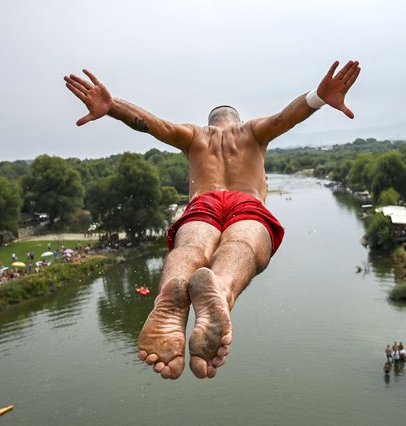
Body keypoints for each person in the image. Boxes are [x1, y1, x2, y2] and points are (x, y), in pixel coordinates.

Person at [64, 60, 361, 379]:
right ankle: (218, 290)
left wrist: (113, 107)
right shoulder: (252, 130)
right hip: (245, 202)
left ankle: (173, 291)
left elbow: (151, 123)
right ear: (237, 119)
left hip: (202, 203)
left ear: (210, 121)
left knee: (190, 248)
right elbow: (284, 118)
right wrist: (317, 97)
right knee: (243, 245)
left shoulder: (193, 135)